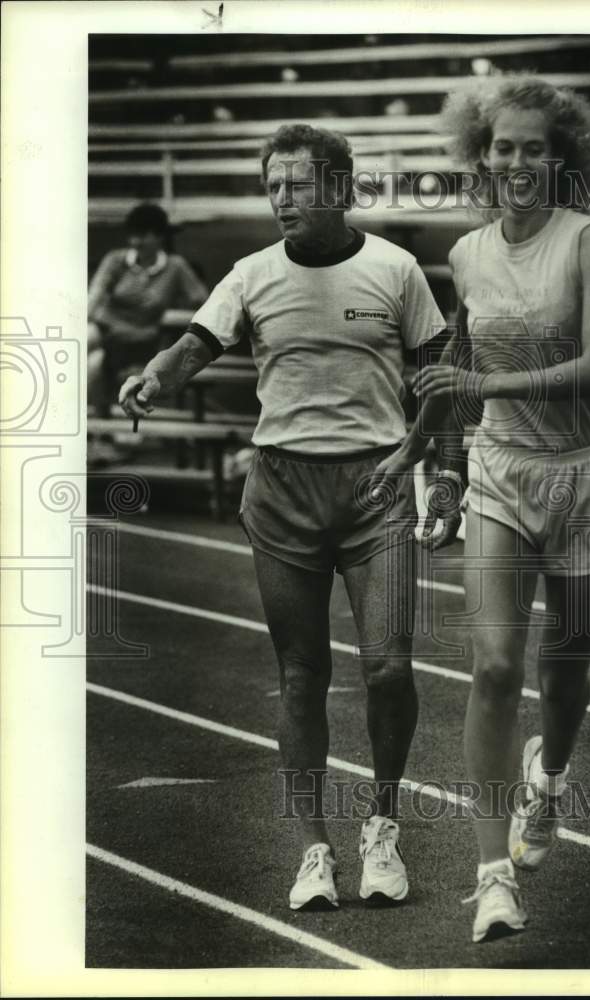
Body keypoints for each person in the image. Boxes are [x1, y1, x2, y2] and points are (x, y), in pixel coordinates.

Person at [118, 125, 447, 911]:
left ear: (338, 188)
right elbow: (196, 344)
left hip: (377, 487)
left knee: (388, 667)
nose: (282, 200)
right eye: (273, 187)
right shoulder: (251, 273)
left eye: (297, 186)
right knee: (300, 677)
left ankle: (381, 828)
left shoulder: (395, 269)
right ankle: (312, 851)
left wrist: (451, 468)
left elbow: (438, 375)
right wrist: (152, 379)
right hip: (282, 491)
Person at [410, 75, 590, 943]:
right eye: (501, 146)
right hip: (500, 468)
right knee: (494, 668)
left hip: (588, 475)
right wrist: (422, 455)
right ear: (481, 154)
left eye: (533, 148)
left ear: (563, 157)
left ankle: (549, 778)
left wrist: (481, 383)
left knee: (564, 669)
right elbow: (454, 374)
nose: (515, 161)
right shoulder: (466, 253)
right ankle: (491, 876)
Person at [88, 202, 207, 416]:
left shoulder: (175, 267)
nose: (135, 242)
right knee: (83, 345)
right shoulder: (116, 259)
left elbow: (201, 300)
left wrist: (176, 307)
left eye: (143, 235)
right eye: (132, 235)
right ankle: (95, 428)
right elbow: (94, 295)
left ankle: (105, 428)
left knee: (95, 364)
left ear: (160, 237)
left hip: (142, 341)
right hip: (106, 332)